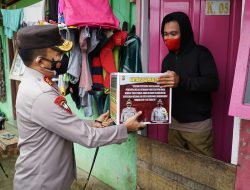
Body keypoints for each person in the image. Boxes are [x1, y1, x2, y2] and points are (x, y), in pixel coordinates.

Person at [14, 25, 146, 190]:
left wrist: (94, 123)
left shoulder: (35, 83)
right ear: (40, 61)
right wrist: (125, 128)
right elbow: (88, 138)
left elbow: (60, 122)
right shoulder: (40, 94)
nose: (63, 59)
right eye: (58, 54)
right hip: (41, 183)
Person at [158, 12, 219, 157]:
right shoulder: (167, 60)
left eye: (174, 33)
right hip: (174, 123)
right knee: (176, 167)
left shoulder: (201, 54)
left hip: (198, 127)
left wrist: (182, 81)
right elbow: (163, 91)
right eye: (165, 34)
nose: (168, 38)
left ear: (184, 33)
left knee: (202, 170)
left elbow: (213, 83)